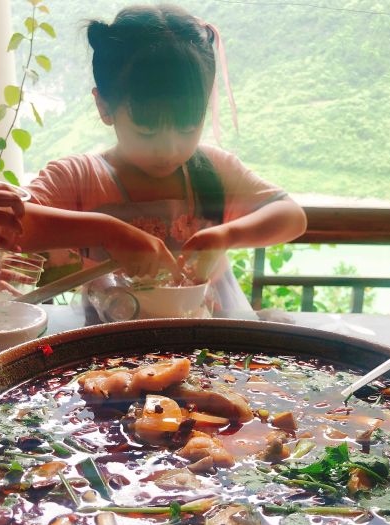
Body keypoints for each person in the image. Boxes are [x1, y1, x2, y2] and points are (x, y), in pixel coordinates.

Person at [21, 3, 307, 317]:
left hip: (212, 355)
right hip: (111, 359)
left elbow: (291, 216)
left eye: (188, 128)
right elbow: (13, 224)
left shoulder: (214, 170)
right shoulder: (78, 178)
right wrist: (108, 232)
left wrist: (227, 235)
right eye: (146, 131)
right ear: (104, 106)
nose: (169, 149)